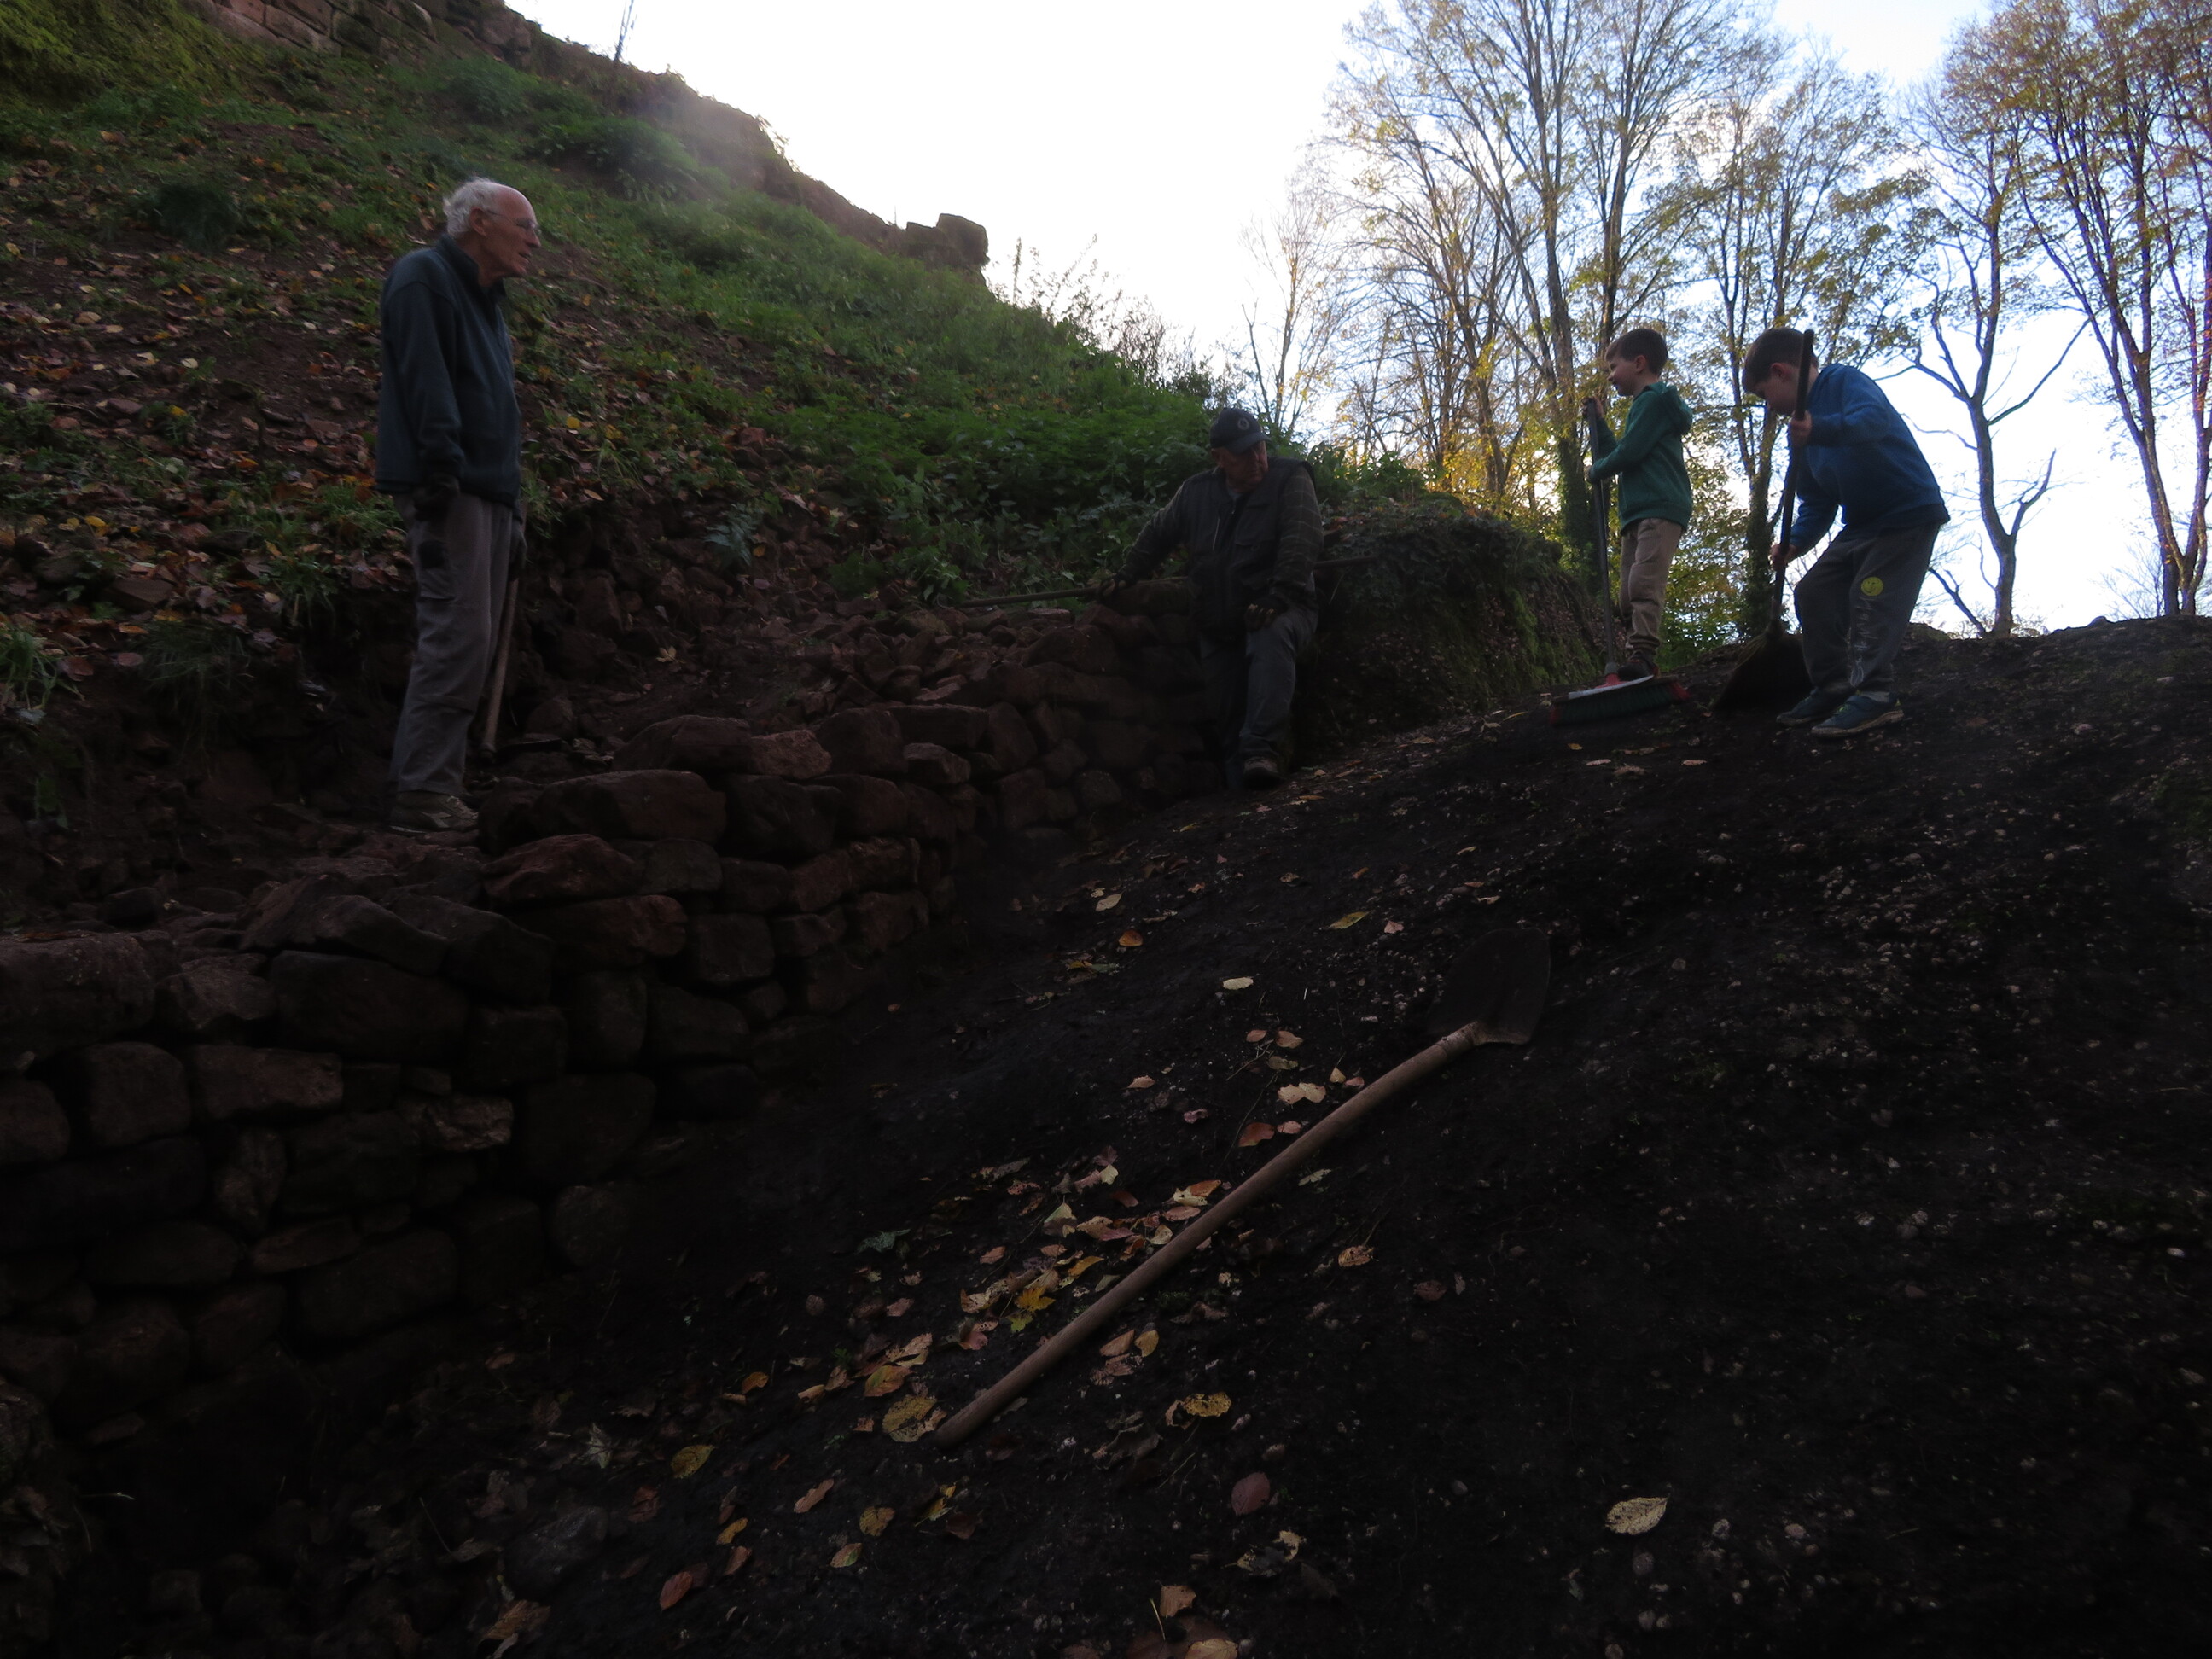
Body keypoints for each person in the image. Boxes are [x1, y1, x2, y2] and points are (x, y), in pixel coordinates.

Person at [375, 176, 540, 833]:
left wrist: (513, 505)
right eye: (525, 226)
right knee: (458, 638)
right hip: (451, 487)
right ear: (478, 222)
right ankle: (423, 794)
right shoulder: (425, 278)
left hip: (489, 492)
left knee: (473, 641)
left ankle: (434, 784)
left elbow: (498, 408)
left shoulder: (487, 302)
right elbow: (427, 380)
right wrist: (441, 469)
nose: (534, 241)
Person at [1745, 327, 1949, 737]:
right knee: (1814, 593)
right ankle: (1834, 684)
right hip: (1860, 524)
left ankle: (1876, 694)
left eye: (1765, 395)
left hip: (1907, 514)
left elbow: (1872, 421)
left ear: (1780, 372)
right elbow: (1817, 500)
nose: (1769, 407)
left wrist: (1820, 428)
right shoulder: (1799, 434)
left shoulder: (1842, 381)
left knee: (1870, 595)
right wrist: (1795, 540)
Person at [1103, 408, 1321, 789]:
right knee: (1226, 710)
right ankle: (1242, 793)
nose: (1257, 459)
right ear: (1218, 458)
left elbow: (1302, 537)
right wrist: (1128, 574)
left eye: (1259, 448)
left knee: (1270, 638)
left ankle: (1262, 752)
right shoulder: (1196, 493)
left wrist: (1280, 594)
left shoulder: (1291, 478)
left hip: (1283, 607)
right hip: (1219, 618)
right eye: (1243, 453)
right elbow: (1159, 531)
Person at [1582, 327, 1693, 681]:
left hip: (1659, 508)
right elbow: (1623, 452)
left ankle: (1642, 655)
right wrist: (1600, 425)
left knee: (1644, 585)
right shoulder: (1643, 407)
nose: (1611, 376)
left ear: (1639, 363)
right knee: (1627, 596)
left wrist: (1596, 471)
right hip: (1637, 512)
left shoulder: (1653, 400)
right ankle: (1636, 656)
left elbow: (1629, 454)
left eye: (1614, 367)